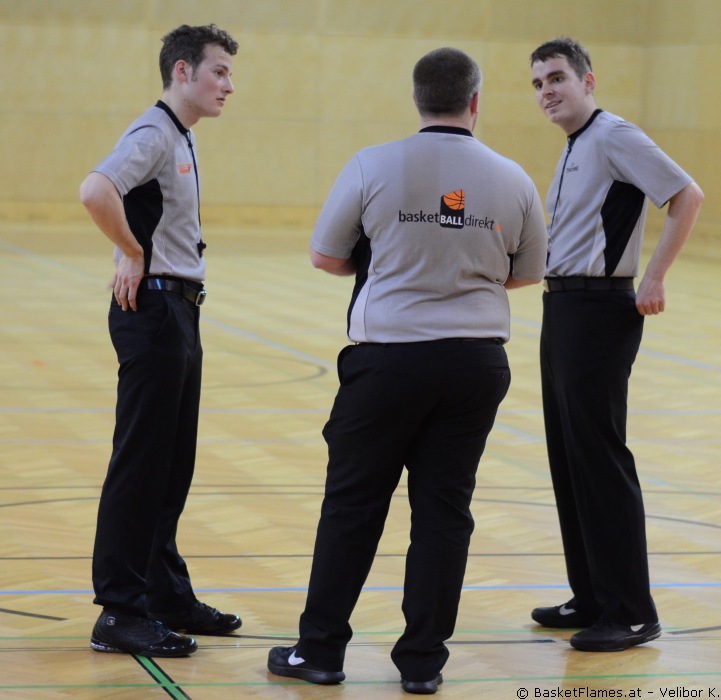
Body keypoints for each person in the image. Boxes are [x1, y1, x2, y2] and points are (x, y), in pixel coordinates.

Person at [266, 47, 547, 694]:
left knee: (352, 506)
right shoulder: (513, 178)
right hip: (475, 364)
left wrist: (393, 264)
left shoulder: (373, 163)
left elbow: (325, 256)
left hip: (388, 362)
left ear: (417, 99)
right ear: (475, 102)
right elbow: (527, 272)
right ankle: (422, 664)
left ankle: (320, 652)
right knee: (445, 512)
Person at [528, 38, 704, 652]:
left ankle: (631, 611)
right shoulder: (575, 145)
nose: (547, 91)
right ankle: (593, 595)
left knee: (599, 457)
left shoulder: (613, 135)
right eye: (538, 84)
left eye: (556, 78)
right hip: (563, 307)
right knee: (568, 455)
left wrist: (654, 277)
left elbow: (687, 195)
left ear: (588, 81)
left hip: (599, 311)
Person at [79, 23, 242, 657]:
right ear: (182, 71)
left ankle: (164, 594)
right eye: (219, 71)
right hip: (152, 311)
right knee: (142, 462)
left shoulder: (179, 135)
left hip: (179, 311)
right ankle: (120, 610)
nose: (228, 85)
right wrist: (131, 251)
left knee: (172, 465)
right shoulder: (152, 133)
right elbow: (96, 190)